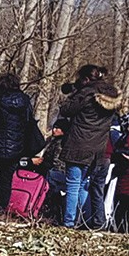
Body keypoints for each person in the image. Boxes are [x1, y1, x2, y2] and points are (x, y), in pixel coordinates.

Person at [52, 71, 121, 229]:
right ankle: (83, 220)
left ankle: (69, 222)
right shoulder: (111, 97)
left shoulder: (87, 95)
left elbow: (66, 110)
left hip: (78, 145)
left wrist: (75, 94)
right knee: (83, 185)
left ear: (87, 79)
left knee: (73, 185)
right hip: (98, 149)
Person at [0, 73, 43, 209]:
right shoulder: (25, 103)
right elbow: (28, 125)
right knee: (6, 181)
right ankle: (0, 209)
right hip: (15, 149)